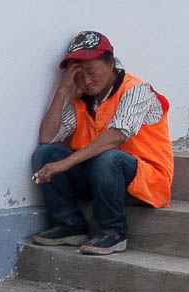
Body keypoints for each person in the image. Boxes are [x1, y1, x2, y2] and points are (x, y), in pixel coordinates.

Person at [30, 30, 174, 256]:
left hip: (143, 180)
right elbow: (48, 137)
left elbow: (117, 136)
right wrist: (62, 90)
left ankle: (113, 232)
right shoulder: (80, 102)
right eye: (78, 76)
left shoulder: (136, 90)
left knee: (109, 157)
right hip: (99, 177)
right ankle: (70, 226)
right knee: (45, 154)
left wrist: (66, 163)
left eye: (91, 72)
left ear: (110, 63)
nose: (86, 81)